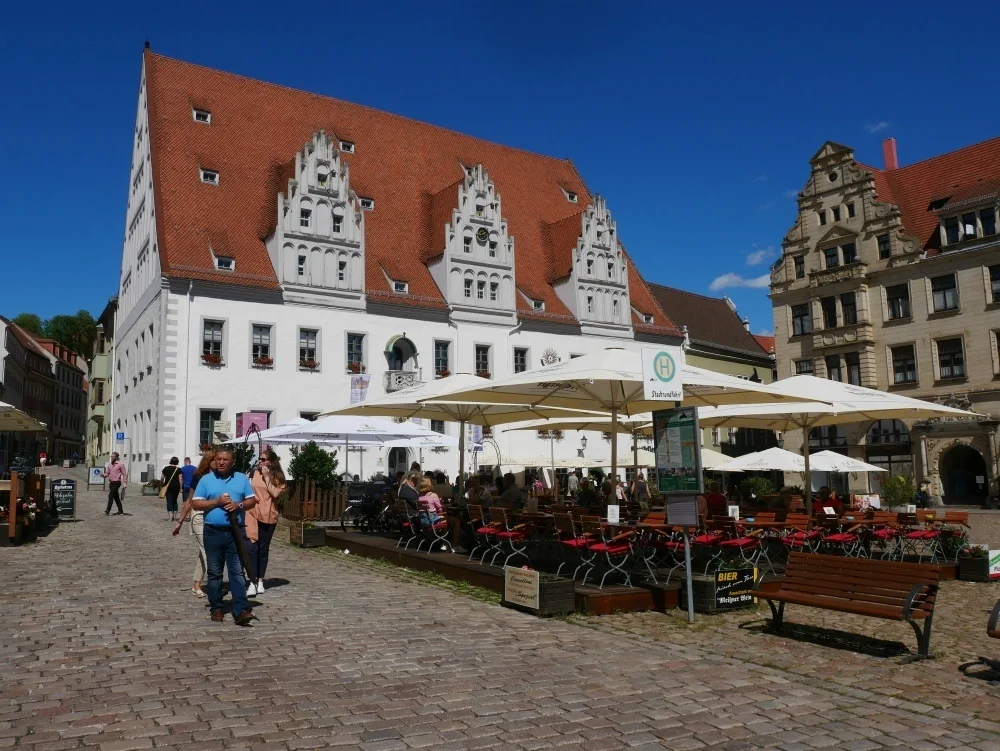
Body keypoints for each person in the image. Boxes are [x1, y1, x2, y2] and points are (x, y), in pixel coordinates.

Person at [191, 448, 257, 625]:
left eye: (225, 460)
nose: (221, 462)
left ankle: (241, 609)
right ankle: (216, 608)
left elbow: (252, 500)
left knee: (236, 572)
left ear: (232, 462)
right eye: (218, 459)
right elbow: (196, 503)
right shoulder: (206, 480)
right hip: (213, 532)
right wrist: (216, 502)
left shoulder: (241, 479)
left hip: (235, 531)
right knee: (214, 572)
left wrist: (239, 505)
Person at [173, 452, 217, 597]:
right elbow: (190, 500)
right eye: (215, 460)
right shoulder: (199, 477)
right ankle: (214, 586)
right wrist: (180, 522)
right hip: (199, 516)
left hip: (214, 517)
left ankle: (196, 585)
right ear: (208, 461)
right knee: (208, 551)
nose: (219, 462)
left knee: (203, 551)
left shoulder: (221, 477)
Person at [246, 450, 286, 596]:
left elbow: (274, 493)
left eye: (263, 459)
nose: (260, 462)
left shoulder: (278, 477)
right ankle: (252, 581)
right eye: (259, 459)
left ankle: (260, 580)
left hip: (268, 516)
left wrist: (267, 475)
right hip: (252, 514)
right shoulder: (253, 473)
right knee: (251, 548)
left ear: (271, 462)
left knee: (263, 549)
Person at [161, 457, 183, 521]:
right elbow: (180, 479)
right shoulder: (179, 469)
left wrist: (161, 484)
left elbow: (162, 478)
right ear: (177, 462)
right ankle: (175, 516)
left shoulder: (166, 469)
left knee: (169, 501)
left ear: (170, 461)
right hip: (176, 486)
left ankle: (170, 517)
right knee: (175, 501)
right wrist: (181, 488)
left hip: (168, 486)